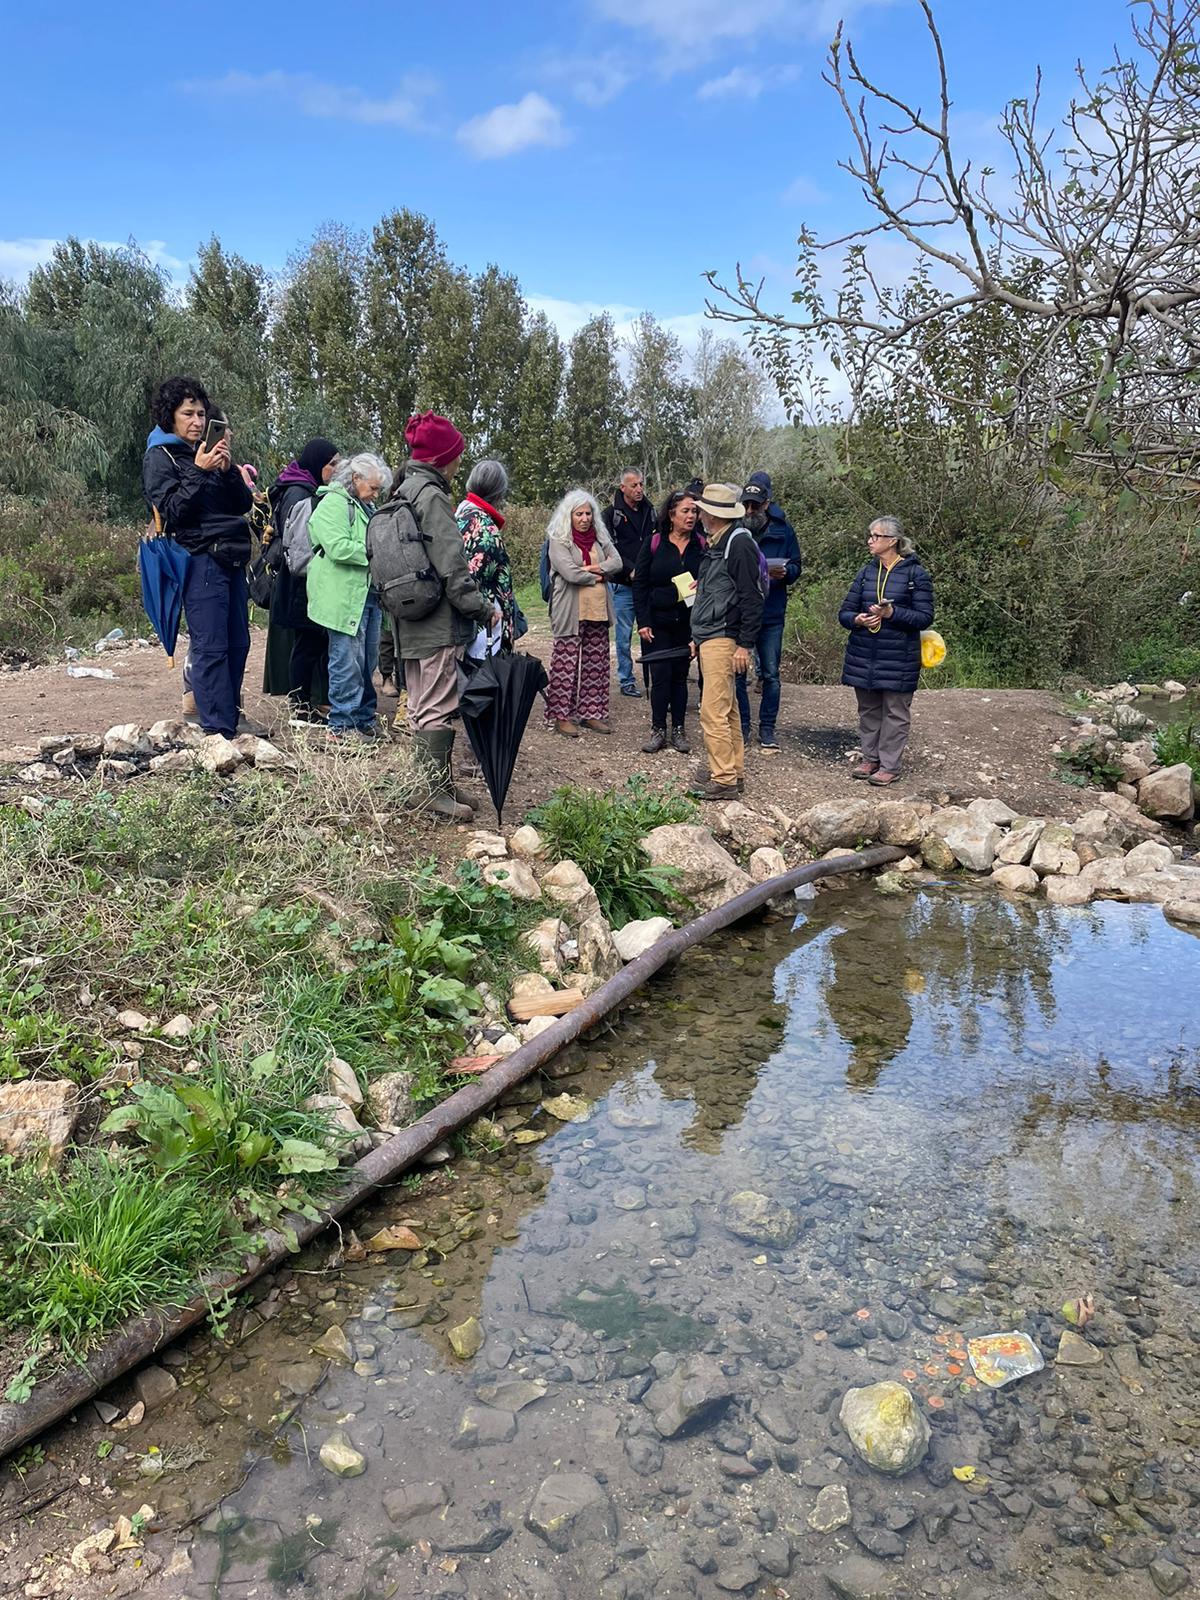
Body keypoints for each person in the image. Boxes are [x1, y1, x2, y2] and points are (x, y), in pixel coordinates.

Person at [391, 412, 497, 821]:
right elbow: (452, 564)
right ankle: (432, 792)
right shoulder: (432, 495)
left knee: (420, 702)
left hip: (408, 617)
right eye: (455, 456)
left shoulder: (401, 490)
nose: (458, 464)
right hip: (435, 620)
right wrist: (480, 608)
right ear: (441, 459)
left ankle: (434, 783)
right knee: (437, 703)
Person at [142, 376, 254, 740]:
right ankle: (217, 730)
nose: (196, 421)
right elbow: (172, 511)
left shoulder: (205, 453)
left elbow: (242, 505)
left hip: (232, 557)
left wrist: (228, 471)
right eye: (187, 413)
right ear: (170, 417)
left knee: (239, 641)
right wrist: (199, 471)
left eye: (201, 414)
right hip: (199, 559)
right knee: (211, 646)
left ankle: (229, 718)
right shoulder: (160, 457)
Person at [839, 514, 935, 786]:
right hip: (864, 653)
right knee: (868, 709)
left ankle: (890, 765)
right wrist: (857, 619)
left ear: (893, 541)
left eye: (875, 536)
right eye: (870, 536)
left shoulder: (916, 574)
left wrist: (892, 613)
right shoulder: (867, 572)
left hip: (899, 656)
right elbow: (845, 612)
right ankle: (870, 758)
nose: (870, 541)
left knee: (895, 711)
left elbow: (925, 617)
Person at [306, 452, 392, 740]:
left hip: (366, 594)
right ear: (356, 479)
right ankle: (341, 728)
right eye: (373, 488)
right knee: (346, 661)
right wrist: (375, 555)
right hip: (342, 597)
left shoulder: (363, 506)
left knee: (367, 662)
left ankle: (364, 720)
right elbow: (338, 547)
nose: (376, 494)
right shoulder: (333, 503)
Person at [689, 483, 764, 799]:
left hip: (724, 637)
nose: (698, 514)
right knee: (728, 710)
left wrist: (744, 644)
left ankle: (723, 780)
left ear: (712, 515)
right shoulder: (719, 542)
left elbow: (752, 597)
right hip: (713, 636)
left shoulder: (738, 544)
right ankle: (734, 774)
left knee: (712, 712)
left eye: (701, 510)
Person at [265, 438, 339, 723]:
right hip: (301, 580)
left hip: (302, 579)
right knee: (307, 644)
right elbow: (300, 543)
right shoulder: (300, 493)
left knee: (310, 643)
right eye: (332, 463)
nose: (336, 469)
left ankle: (306, 702)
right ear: (318, 463)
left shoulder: (300, 487)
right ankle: (300, 705)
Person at [545, 490, 623, 737]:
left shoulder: (600, 537)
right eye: (579, 513)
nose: (584, 518)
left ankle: (591, 714)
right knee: (565, 663)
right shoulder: (558, 540)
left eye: (588, 513)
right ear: (569, 515)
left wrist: (590, 568)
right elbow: (569, 572)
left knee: (595, 663)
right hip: (570, 610)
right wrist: (600, 575)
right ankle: (561, 716)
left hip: (597, 610)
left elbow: (618, 562)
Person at [633, 488, 704, 754]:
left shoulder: (702, 545)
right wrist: (643, 621)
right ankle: (658, 729)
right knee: (660, 675)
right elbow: (639, 583)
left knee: (680, 676)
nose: (691, 516)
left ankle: (679, 730)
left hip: (687, 622)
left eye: (694, 511)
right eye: (685, 511)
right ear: (671, 514)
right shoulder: (654, 543)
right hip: (658, 620)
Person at [734, 470, 802, 753]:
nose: (750, 510)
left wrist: (786, 572)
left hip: (771, 611)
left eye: (755, 505)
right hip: (739, 612)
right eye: (746, 504)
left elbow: (798, 566)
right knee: (737, 673)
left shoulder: (782, 530)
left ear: (766, 504)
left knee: (771, 674)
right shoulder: (736, 530)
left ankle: (767, 728)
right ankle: (743, 727)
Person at [602, 468, 655, 698]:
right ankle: (627, 680)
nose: (639, 489)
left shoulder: (651, 511)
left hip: (648, 584)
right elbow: (608, 548)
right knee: (623, 637)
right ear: (622, 487)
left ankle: (652, 680)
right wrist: (630, 570)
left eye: (641, 484)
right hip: (623, 585)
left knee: (650, 634)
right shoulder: (610, 514)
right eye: (634, 485)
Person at [455, 459, 515, 657]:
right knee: (487, 680)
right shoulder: (484, 527)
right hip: (487, 621)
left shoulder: (460, 513)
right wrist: (485, 612)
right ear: (499, 492)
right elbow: (472, 578)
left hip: (467, 617)